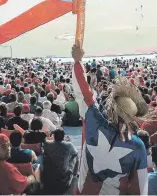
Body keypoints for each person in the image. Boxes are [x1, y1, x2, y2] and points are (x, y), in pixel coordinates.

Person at [71, 45, 148, 195]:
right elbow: (140, 190)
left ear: (109, 109)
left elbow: (82, 92)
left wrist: (78, 61)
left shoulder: (94, 120)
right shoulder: (138, 146)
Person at [42, 128, 78, 194]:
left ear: (54, 136)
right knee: (74, 156)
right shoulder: (69, 145)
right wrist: (68, 141)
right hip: (63, 178)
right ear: (63, 136)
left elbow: (44, 140)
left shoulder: (47, 144)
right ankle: (74, 175)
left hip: (48, 177)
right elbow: (75, 153)